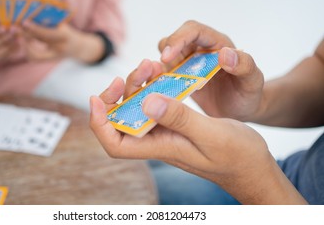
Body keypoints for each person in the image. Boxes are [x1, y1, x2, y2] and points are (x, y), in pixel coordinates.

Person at [89, 20, 324, 204]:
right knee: (113, 179)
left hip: (272, 194)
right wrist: (258, 103)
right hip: (289, 173)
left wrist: (257, 183)